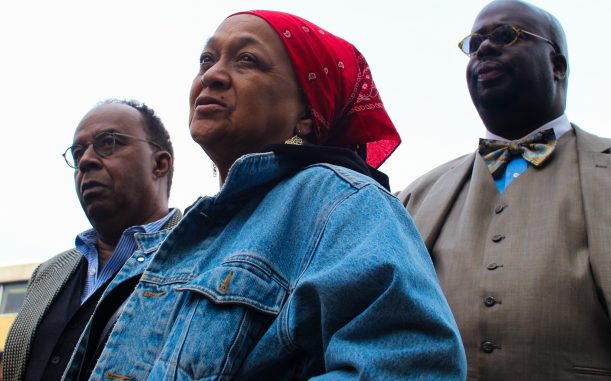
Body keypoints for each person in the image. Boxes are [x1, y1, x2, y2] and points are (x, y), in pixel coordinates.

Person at [60, 10, 466, 381]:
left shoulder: (342, 201)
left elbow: (411, 365)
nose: (212, 76)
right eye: (207, 59)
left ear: (307, 114)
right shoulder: (186, 235)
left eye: (247, 60)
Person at [398, 1, 611, 380]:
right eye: (475, 41)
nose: (484, 47)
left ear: (557, 66)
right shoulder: (414, 199)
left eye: (505, 35)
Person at [3, 99, 180, 381]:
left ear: (159, 164)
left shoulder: (198, 255)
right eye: (77, 152)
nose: (85, 161)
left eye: (108, 142)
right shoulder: (48, 273)